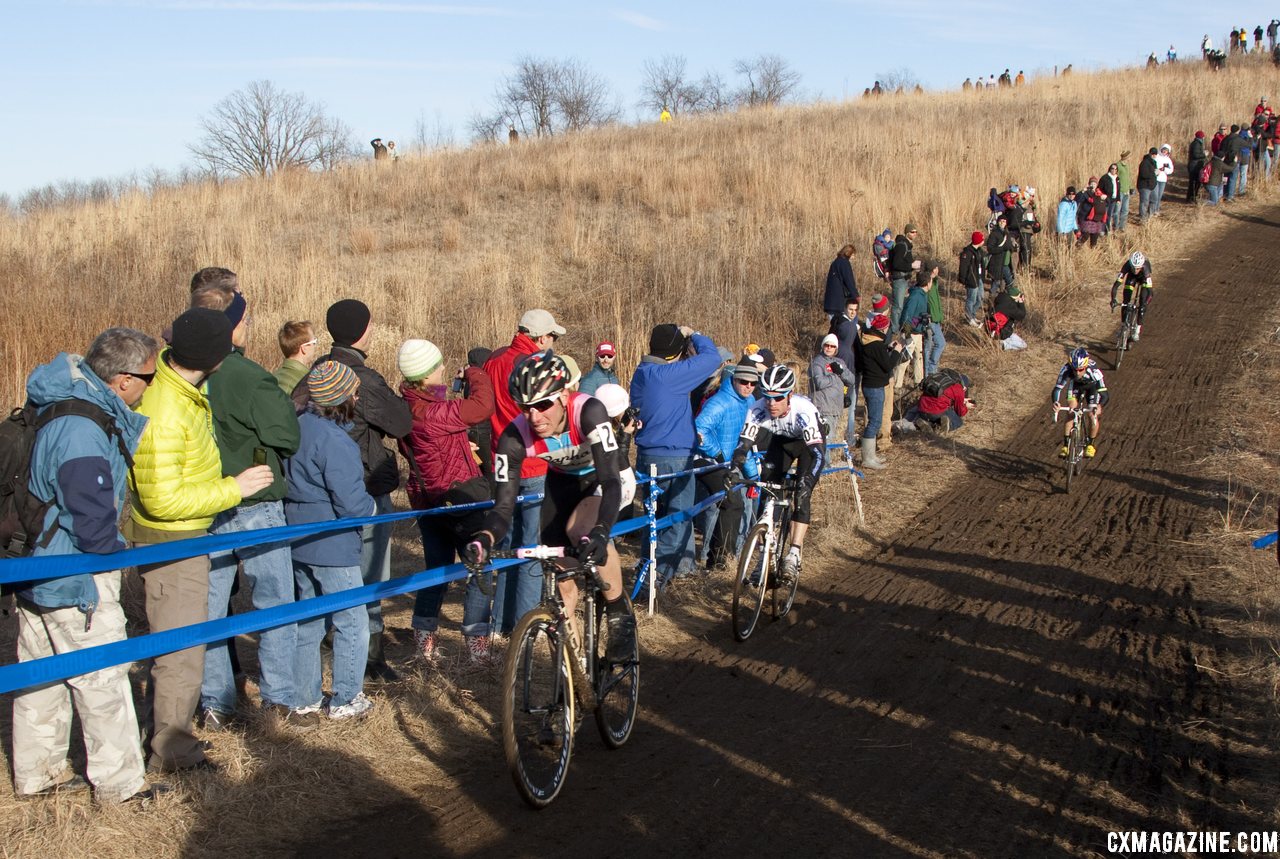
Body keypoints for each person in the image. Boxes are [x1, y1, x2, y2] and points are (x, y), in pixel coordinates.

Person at [12, 328, 160, 804]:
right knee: (103, 678)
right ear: (122, 380)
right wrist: (112, 555)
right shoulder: (82, 428)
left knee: (40, 675)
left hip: (35, 564)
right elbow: (91, 520)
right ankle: (121, 786)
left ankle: (39, 773)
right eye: (148, 378)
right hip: (74, 575)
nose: (150, 386)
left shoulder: (62, 403)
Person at [126, 309, 274, 773]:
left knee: (179, 650)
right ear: (214, 357)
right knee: (180, 655)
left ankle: (169, 742)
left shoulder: (178, 389)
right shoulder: (167, 411)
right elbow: (164, 498)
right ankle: (174, 755)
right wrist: (236, 488)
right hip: (174, 541)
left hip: (183, 536)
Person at [464, 352, 636, 663]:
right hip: (563, 484)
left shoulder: (589, 412)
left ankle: (619, 614)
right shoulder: (513, 438)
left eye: (543, 405)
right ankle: (573, 671)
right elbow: (503, 508)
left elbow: (611, 482)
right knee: (561, 582)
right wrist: (484, 539)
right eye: (525, 408)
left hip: (608, 479)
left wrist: (600, 531)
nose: (534, 417)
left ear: (565, 396)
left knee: (581, 529)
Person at [200, 289, 304, 731]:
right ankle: (277, 699)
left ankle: (215, 704)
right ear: (234, 325)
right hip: (254, 500)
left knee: (208, 609)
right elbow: (287, 437)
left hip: (201, 503)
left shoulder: (178, 373)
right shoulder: (248, 375)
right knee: (275, 602)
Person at [319, 298, 413, 682]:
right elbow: (401, 422)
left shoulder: (317, 370)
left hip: (322, 486)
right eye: (370, 325)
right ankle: (370, 656)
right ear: (361, 330)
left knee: (331, 569)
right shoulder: (364, 378)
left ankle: (331, 637)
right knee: (372, 570)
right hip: (364, 484)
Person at [285, 362, 377, 720]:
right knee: (352, 619)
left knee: (309, 618)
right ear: (341, 399)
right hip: (332, 542)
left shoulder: (298, 426)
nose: (357, 397)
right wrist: (371, 508)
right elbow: (352, 504)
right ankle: (346, 698)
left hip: (298, 535)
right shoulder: (335, 441)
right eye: (353, 392)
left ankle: (304, 695)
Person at [396, 339, 496, 664]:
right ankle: (477, 646)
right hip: (457, 500)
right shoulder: (433, 413)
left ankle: (424, 644)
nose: (443, 369)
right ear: (425, 375)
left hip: (426, 502)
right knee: (479, 567)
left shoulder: (406, 408)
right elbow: (482, 406)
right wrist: (474, 373)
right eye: (438, 366)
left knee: (435, 572)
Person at [483, 308, 565, 630]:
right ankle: (523, 627)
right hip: (532, 462)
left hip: (501, 459)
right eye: (552, 338)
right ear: (541, 338)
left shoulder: (493, 360)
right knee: (531, 547)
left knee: (505, 543)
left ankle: (499, 624)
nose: (553, 345)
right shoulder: (537, 367)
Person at [630, 323, 722, 583]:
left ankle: (647, 571)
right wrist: (695, 334)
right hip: (674, 458)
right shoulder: (669, 375)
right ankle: (655, 578)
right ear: (675, 351)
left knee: (654, 520)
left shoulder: (642, 372)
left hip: (647, 456)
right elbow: (712, 358)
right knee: (678, 520)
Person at [728, 366, 826, 583]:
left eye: (778, 398)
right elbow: (743, 445)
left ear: (789, 395)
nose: (771, 403)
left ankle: (794, 553)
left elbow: (819, 456)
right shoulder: (756, 408)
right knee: (767, 493)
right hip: (781, 443)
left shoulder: (804, 411)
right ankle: (764, 557)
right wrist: (736, 464)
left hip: (808, 446)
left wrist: (808, 481)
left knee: (801, 496)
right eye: (767, 397)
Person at [694, 359, 757, 569]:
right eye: (744, 381)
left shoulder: (749, 403)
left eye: (753, 383)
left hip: (729, 462)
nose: (748, 386)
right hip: (706, 459)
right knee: (731, 501)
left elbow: (745, 442)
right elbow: (699, 430)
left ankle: (722, 558)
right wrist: (718, 454)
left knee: (735, 501)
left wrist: (753, 476)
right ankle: (719, 561)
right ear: (734, 379)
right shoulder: (719, 402)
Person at [854, 313, 903, 470]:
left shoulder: (870, 342)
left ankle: (871, 455)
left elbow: (877, 359)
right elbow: (888, 366)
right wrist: (896, 351)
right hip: (875, 387)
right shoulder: (876, 345)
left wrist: (888, 348)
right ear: (884, 328)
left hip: (871, 385)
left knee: (875, 421)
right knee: (874, 422)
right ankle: (867, 458)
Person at [1051, 348, 1108, 459]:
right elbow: (1057, 389)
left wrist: (1099, 406)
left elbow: (1105, 395)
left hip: (1092, 387)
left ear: (1086, 366)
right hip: (1075, 387)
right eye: (1075, 369)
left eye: (1081, 369)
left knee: (1093, 415)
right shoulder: (1066, 369)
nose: (1077, 373)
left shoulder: (1094, 371)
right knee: (1071, 410)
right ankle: (1066, 445)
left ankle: (1091, 445)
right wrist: (1056, 403)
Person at [808, 334, 857, 443]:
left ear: (836, 348)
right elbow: (819, 382)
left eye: (832, 346)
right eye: (827, 345)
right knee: (826, 440)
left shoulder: (840, 362)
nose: (829, 348)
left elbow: (852, 380)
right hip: (822, 407)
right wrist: (835, 375)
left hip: (835, 407)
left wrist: (841, 372)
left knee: (830, 437)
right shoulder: (817, 362)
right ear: (822, 346)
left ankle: (826, 459)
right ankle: (825, 460)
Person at [829, 297, 862, 444]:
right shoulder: (846, 328)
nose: (853, 313)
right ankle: (848, 437)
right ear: (845, 308)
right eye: (850, 309)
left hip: (844, 370)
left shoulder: (837, 322)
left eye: (855, 310)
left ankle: (844, 436)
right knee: (849, 405)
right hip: (848, 372)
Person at [908, 371, 973, 434]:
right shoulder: (958, 388)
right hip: (935, 412)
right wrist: (966, 406)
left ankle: (927, 424)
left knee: (937, 412)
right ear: (964, 387)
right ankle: (938, 428)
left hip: (921, 410)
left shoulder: (941, 381)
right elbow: (960, 412)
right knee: (958, 421)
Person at [1110, 251, 1154, 342]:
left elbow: (1150, 293)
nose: (1135, 271)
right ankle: (1123, 326)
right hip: (1131, 278)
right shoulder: (1126, 266)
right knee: (1125, 302)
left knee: (1142, 305)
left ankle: (1137, 331)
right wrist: (1113, 299)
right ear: (1130, 264)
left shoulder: (1146, 269)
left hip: (1143, 279)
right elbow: (1116, 285)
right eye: (1133, 268)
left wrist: (1145, 303)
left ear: (1141, 266)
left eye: (1138, 269)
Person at [887, 224, 921, 332]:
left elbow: (904, 262)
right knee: (898, 306)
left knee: (902, 304)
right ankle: (894, 328)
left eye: (915, 232)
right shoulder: (902, 246)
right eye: (912, 232)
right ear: (907, 233)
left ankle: (900, 326)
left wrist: (913, 266)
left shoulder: (907, 245)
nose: (914, 234)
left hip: (905, 279)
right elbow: (897, 264)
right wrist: (911, 266)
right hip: (899, 279)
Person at [273, 320, 321, 396]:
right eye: (314, 342)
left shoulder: (274, 377)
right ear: (304, 348)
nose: (315, 346)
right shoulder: (305, 384)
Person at [823, 244, 858, 322]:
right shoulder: (845, 263)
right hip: (839, 302)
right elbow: (849, 281)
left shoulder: (835, 262)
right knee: (847, 325)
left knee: (834, 327)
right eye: (853, 255)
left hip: (831, 302)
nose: (853, 257)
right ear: (849, 253)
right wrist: (855, 295)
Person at [958, 231, 986, 327]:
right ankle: (969, 318)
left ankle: (972, 314)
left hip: (979, 278)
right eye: (982, 239)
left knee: (980, 298)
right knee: (971, 300)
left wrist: (982, 277)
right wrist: (964, 280)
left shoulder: (980, 251)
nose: (983, 241)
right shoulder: (967, 253)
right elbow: (963, 267)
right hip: (971, 280)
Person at [923, 264, 946, 376]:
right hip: (930, 320)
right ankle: (930, 371)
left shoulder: (934, 283)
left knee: (935, 344)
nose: (938, 269)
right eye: (936, 267)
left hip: (936, 320)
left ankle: (930, 370)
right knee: (932, 345)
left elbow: (935, 280)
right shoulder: (927, 285)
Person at [985, 214, 1016, 297]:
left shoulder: (1007, 233)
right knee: (997, 282)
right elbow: (990, 249)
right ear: (998, 222)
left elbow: (1009, 246)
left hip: (1006, 262)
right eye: (1001, 221)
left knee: (1004, 281)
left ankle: (1003, 298)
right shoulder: (994, 234)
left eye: (1004, 221)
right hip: (997, 262)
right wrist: (1002, 248)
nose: (1002, 222)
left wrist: (1012, 247)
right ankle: (992, 301)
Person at [991, 285, 1028, 351]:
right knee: (1024, 345)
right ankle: (1003, 345)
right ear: (1014, 297)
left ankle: (1001, 342)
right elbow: (1022, 315)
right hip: (1002, 332)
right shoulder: (1010, 306)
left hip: (991, 328)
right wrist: (1021, 302)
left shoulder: (1000, 298)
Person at [1076, 180, 1108, 247]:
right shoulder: (1085, 193)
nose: (1093, 185)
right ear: (1089, 184)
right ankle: (1077, 247)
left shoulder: (1100, 193)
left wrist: (1105, 198)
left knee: (1095, 237)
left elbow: (1107, 203)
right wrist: (1082, 192)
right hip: (1086, 217)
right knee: (1085, 236)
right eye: (1092, 183)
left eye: (1094, 184)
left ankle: (1092, 251)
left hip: (1096, 218)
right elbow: (1078, 199)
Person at [1137, 148, 1159, 221]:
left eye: (1155, 154)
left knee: (1154, 200)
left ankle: (1149, 216)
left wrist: (1157, 173)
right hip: (1144, 186)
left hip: (1152, 185)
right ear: (1150, 154)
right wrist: (1154, 173)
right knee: (1144, 202)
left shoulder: (1154, 163)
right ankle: (1142, 218)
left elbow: (1153, 174)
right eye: (1153, 154)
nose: (1154, 155)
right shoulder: (1144, 162)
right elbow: (1144, 174)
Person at [1187, 132, 1208, 203]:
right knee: (1194, 182)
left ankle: (1193, 197)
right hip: (1194, 166)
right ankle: (1191, 198)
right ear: (1201, 137)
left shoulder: (1197, 143)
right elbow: (1196, 155)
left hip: (1195, 165)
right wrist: (1204, 154)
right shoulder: (1197, 144)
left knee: (1196, 182)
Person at [1153, 144, 1174, 213]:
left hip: (1163, 179)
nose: (1164, 151)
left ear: (1168, 152)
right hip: (1156, 179)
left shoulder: (1168, 160)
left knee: (1159, 195)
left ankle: (1157, 209)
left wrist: (1164, 169)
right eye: (1163, 150)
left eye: (1166, 150)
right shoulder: (1157, 157)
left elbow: (1171, 170)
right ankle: (1152, 209)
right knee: (1155, 195)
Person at [1115, 151, 1133, 231]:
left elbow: (1129, 178)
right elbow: (1115, 178)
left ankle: (1122, 226)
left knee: (1125, 210)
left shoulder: (1127, 166)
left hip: (1127, 191)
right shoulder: (1118, 165)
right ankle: (1115, 225)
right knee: (1117, 210)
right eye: (1128, 156)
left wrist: (1130, 187)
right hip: (1120, 191)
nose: (1129, 158)